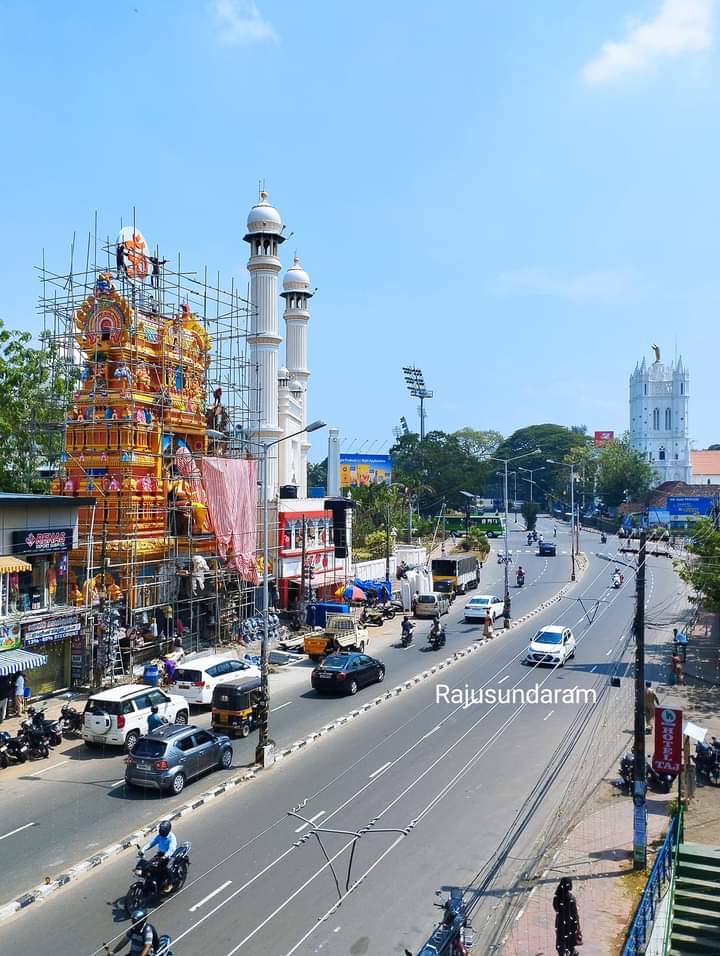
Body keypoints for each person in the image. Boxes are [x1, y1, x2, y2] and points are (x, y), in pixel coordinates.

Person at [142, 820, 177, 894]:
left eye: (162, 830)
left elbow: (172, 848)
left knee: (167, 868)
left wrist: (166, 856)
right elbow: (151, 843)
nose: (161, 831)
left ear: (167, 830)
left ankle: (170, 883)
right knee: (149, 866)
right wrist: (143, 850)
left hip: (169, 855)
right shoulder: (159, 836)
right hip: (160, 855)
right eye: (160, 829)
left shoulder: (171, 837)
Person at [553, 877, 582, 956]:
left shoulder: (557, 897)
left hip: (560, 922)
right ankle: (572, 952)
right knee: (570, 941)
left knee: (561, 940)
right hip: (570, 923)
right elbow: (575, 914)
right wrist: (578, 926)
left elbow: (556, 908)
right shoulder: (571, 898)